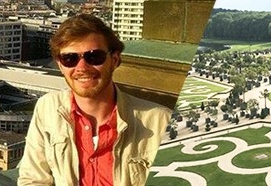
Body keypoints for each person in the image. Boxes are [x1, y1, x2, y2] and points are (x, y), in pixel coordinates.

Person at [17, 14, 172, 186]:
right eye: (70, 59)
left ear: (114, 60)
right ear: (60, 65)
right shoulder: (47, 108)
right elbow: (33, 179)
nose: (82, 67)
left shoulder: (159, 121)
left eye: (94, 57)